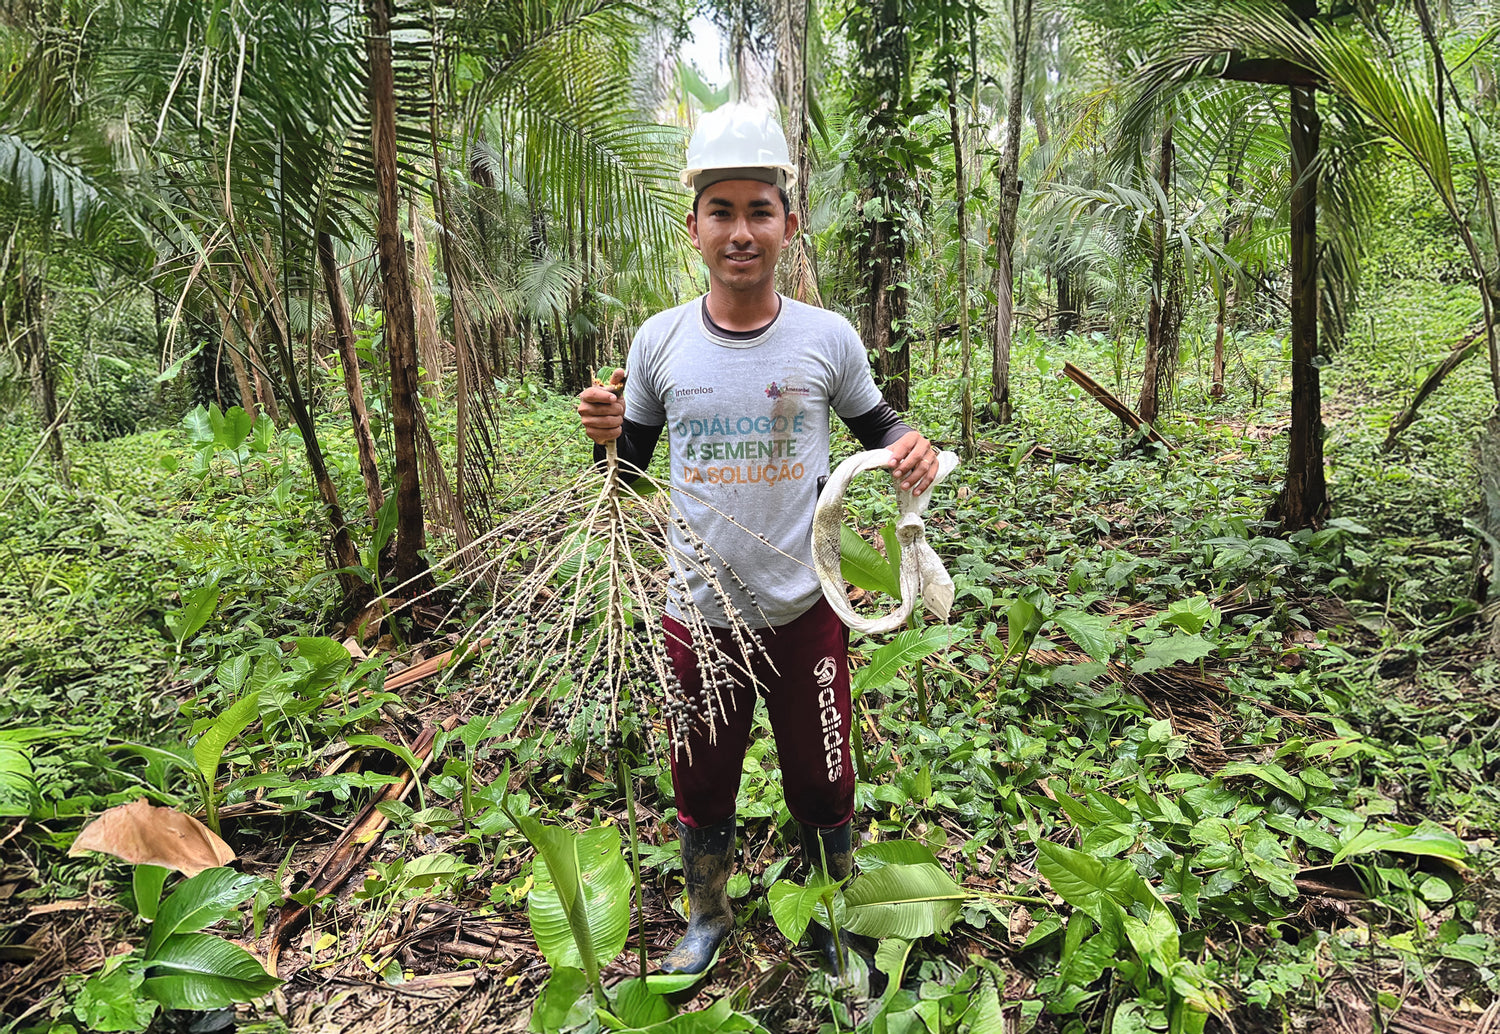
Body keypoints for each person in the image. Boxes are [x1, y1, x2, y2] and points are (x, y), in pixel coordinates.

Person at [576, 103, 940, 977]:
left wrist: (912, 449)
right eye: (723, 212)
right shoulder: (660, 342)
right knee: (702, 778)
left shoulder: (826, 338)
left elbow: (880, 430)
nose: (742, 231)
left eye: (760, 211)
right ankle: (707, 917)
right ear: (694, 227)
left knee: (824, 781)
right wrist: (604, 435)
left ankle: (835, 915)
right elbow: (623, 481)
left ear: (788, 222)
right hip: (698, 615)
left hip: (805, 609)